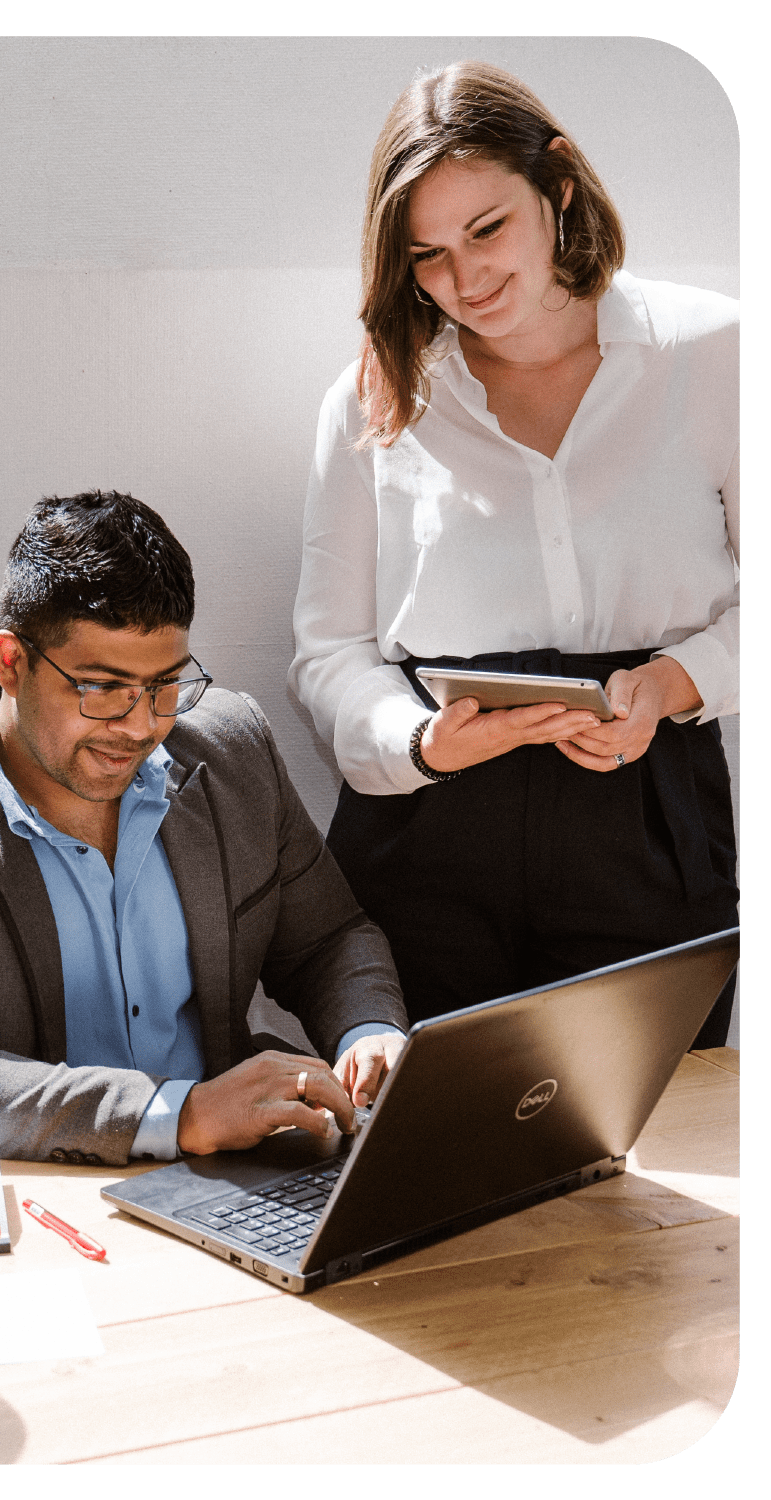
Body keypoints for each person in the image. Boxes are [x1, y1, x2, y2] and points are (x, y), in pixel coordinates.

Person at [289, 62, 738, 1040]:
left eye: (486, 229)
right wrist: (416, 742)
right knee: (430, 1170)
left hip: (647, 818)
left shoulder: (708, 354)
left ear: (559, 184)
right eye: (427, 255)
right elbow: (328, 653)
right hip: (426, 836)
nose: (465, 280)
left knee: (656, 1164)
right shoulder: (372, 397)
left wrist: (667, 685)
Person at [0, 491, 408, 1165]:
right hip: (33, 1200)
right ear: (12, 663)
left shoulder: (232, 749)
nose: (140, 725)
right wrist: (173, 1115)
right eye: (103, 688)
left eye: (165, 685)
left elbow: (328, 939)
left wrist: (367, 1031)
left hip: (231, 1180)